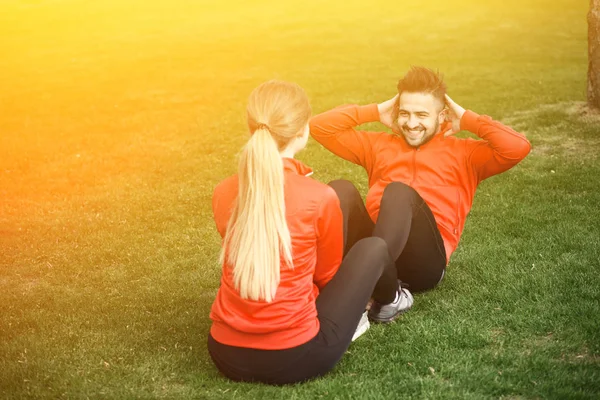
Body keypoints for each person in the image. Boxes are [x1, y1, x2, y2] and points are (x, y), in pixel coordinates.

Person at [208, 80, 397, 385]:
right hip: (293, 356)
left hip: (224, 352)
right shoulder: (319, 196)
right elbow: (326, 275)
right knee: (372, 248)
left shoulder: (223, 191)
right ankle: (391, 301)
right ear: (302, 131)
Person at [309, 66, 531, 323]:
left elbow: (518, 148)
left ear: (442, 116)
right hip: (379, 241)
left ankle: (377, 292)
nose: (411, 124)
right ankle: (330, 284)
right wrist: (374, 111)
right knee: (340, 190)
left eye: (422, 115)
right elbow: (320, 127)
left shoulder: (465, 154)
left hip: (424, 263)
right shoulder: (380, 145)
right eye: (405, 113)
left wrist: (468, 119)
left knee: (399, 193)